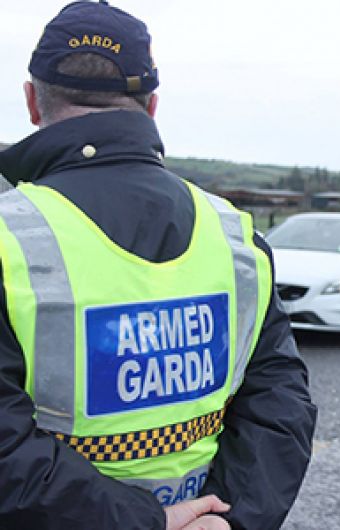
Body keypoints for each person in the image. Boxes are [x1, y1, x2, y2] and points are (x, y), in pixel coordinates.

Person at [0, 2, 317, 528]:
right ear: (151, 106)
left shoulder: (10, 235)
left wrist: (147, 521)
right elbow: (281, 401)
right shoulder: (235, 236)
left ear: (32, 100)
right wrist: (231, 516)